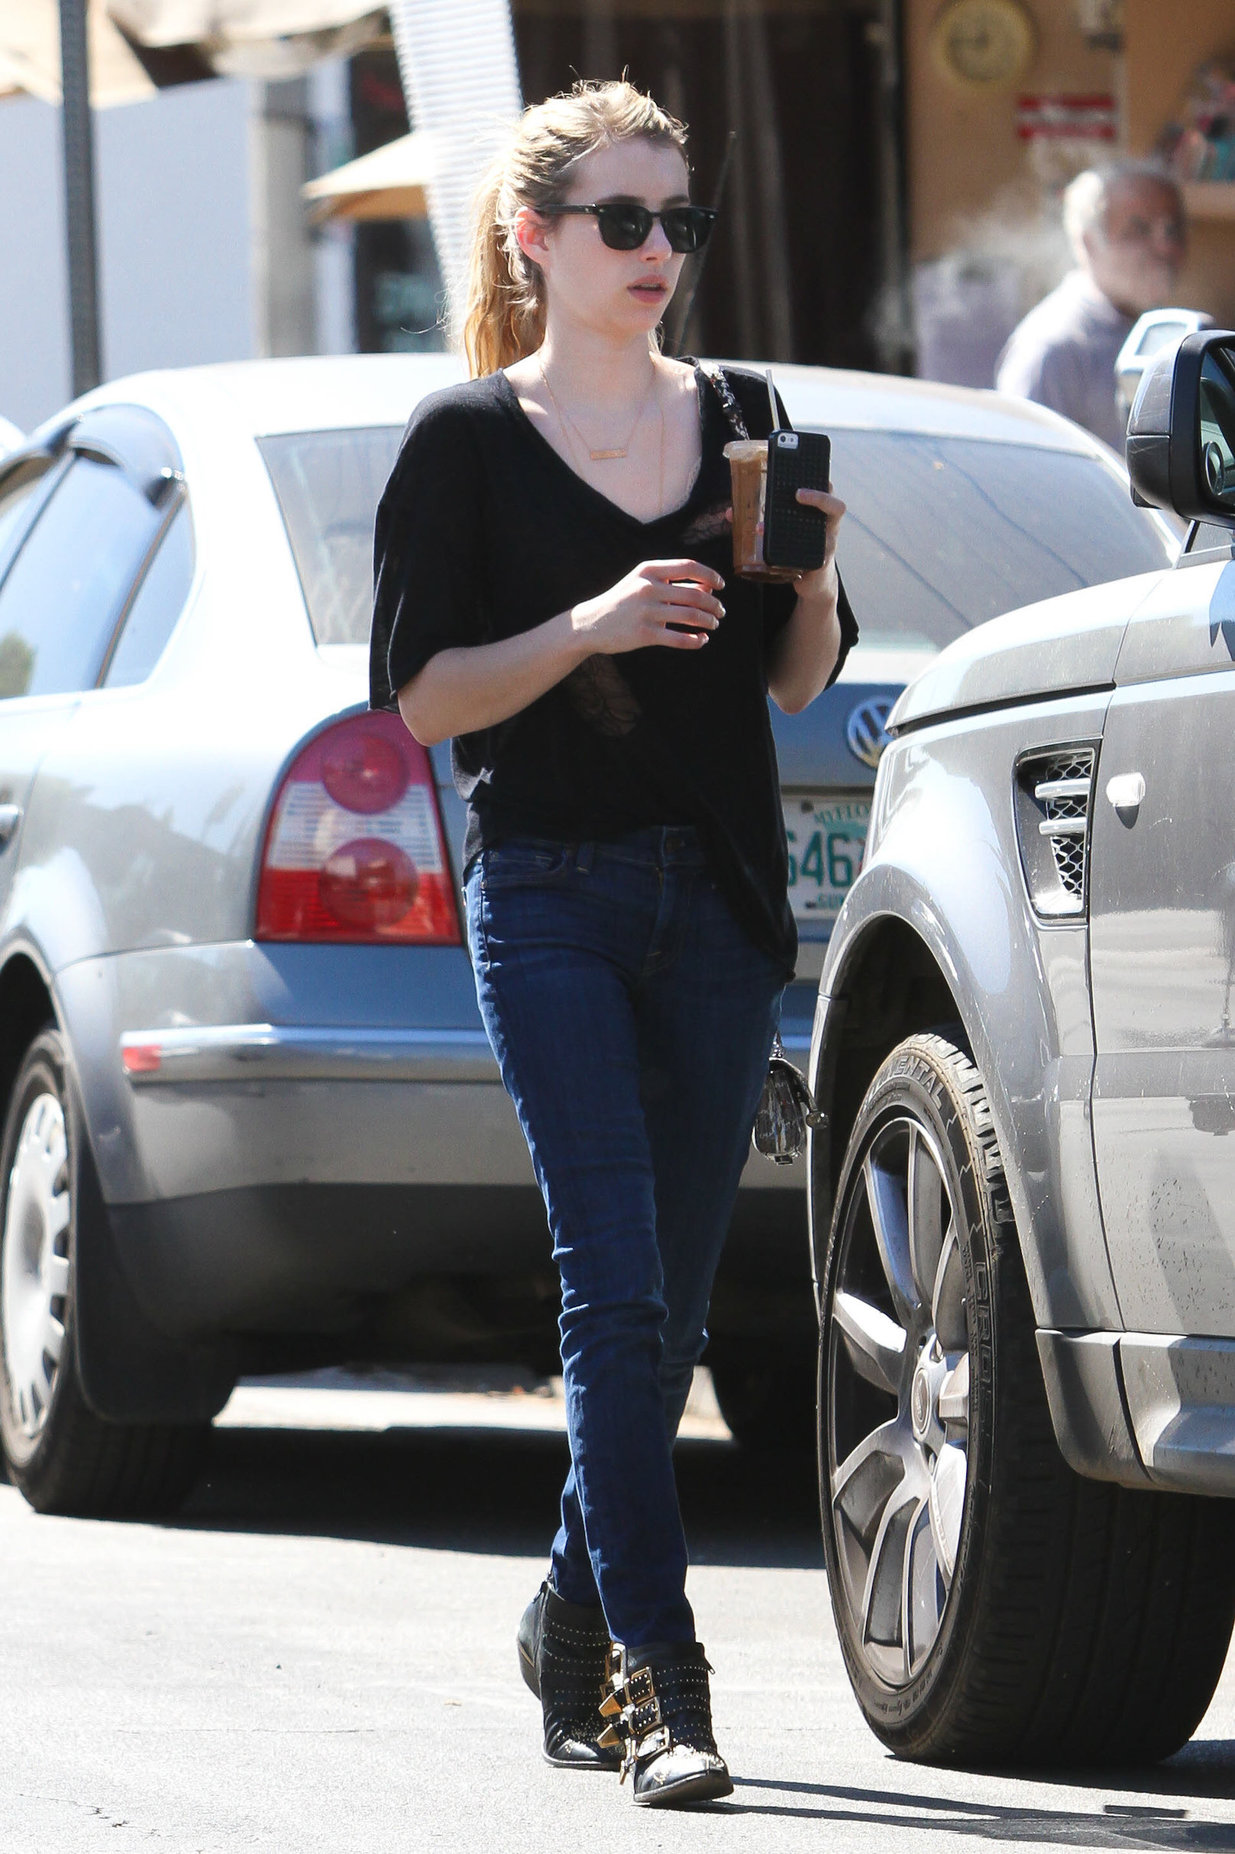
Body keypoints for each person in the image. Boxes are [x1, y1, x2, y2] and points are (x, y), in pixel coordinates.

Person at [369, 79, 856, 1809]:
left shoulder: (740, 413)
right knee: (616, 1282)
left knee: (657, 1320)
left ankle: (569, 1609)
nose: (659, 253)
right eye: (623, 221)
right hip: (553, 889)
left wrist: (806, 579)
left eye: (680, 224)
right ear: (535, 238)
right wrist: (587, 625)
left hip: (719, 897)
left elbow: (792, 682)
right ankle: (664, 1677)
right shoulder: (466, 442)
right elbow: (425, 701)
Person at [995, 160, 1187, 450]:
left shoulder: (1160, 327)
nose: (1166, 248)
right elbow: (1024, 475)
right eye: (1138, 231)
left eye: (1172, 231)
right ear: (1089, 243)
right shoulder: (1054, 348)